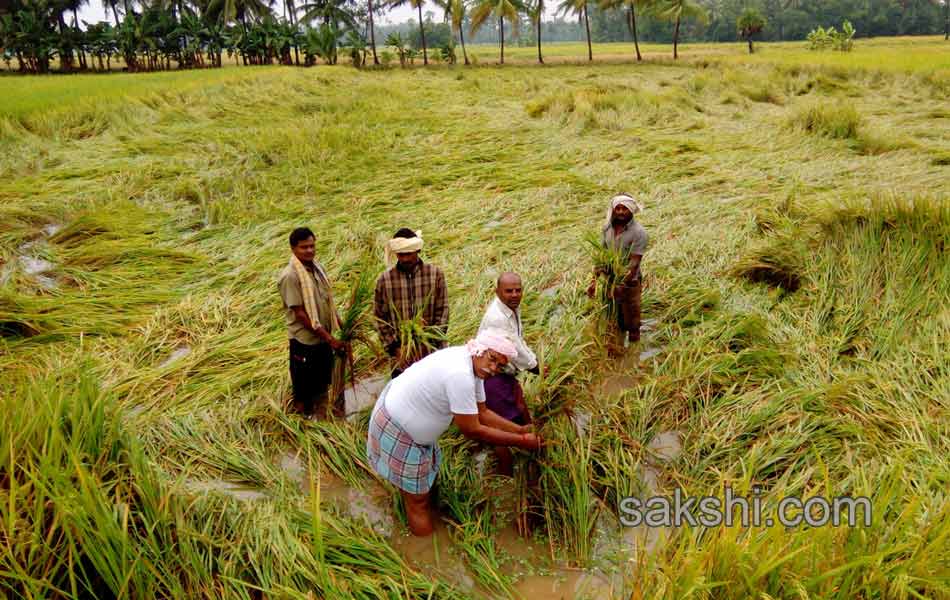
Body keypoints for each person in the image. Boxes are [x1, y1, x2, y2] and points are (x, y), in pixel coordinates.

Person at [366, 331, 542, 536]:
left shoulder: (473, 366)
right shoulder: (460, 375)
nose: (494, 368)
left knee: (421, 489)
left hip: (407, 419)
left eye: (500, 366)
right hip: (398, 428)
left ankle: (416, 509)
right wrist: (521, 441)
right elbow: (472, 429)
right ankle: (424, 555)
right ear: (479, 349)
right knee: (418, 501)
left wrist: (520, 429)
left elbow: (483, 412)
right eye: (492, 359)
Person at [278, 227, 345, 417]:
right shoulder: (290, 276)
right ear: (293, 249)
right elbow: (300, 313)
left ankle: (322, 416)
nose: (309, 250)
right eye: (303, 247)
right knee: (303, 387)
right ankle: (303, 423)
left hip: (323, 338)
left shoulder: (317, 268)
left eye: (312, 246)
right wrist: (330, 338)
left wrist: (339, 323)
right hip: (305, 341)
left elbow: (327, 300)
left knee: (323, 382)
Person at [478, 272, 539, 476]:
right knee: (500, 426)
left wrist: (534, 361)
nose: (514, 294)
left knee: (519, 407)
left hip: (505, 371)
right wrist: (535, 366)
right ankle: (505, 472)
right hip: (493, 376)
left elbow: (518, 340)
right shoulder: (497, 317)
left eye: (518, 290)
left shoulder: (510, 308)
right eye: (508, 291)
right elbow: (516, 349)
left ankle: (527, 447)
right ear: (497, 292)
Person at [373, 228, 449, 378]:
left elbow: (443, 310)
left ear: (417, 250)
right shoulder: (385, 281)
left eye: (409, 254)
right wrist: (395, 348)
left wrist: (430, 342)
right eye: (401, 255)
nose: (405, 259)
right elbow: (379, 318)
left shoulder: (435, 275)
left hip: (431, 354)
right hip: (400, 358)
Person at [587, 194, 649, 346]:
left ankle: (634, 356)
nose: (621, 212)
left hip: (629, 284)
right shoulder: (607, 228)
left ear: (631, 210)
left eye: (624, 209)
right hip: (609, 281)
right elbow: (601, 256)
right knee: (614, 319)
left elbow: (634, 263)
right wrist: (594, 281)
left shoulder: (639, 232)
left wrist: (621, 286)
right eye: (618, 208)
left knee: (632, 323)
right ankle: (618, 349)